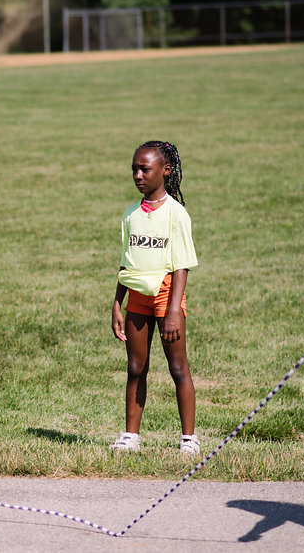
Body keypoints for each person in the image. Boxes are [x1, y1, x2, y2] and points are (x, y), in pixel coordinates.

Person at [110, 140, 199, 455]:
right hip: (136, 297)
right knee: (136, 367)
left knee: (178, 368)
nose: (137, 175)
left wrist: (174, 310)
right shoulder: (130, 214)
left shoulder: (176, 214)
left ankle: (189, 439)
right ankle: (131, 436)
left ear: (166, 170)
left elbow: (182, 265)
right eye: (134, 169)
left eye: (144, 169)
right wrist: (117, 304)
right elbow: (126, 262)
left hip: (165, 297)